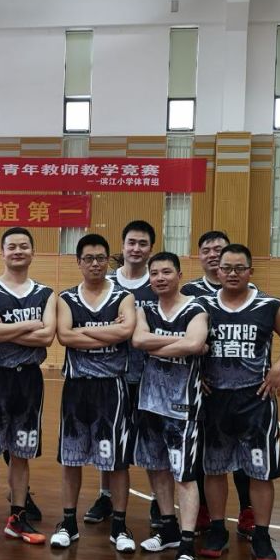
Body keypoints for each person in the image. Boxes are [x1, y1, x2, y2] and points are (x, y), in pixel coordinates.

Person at [198, 244, 280, 560]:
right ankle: (218, 529)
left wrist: (278, 368)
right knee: (214, 469)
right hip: (214, 400)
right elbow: (188, 342)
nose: (232, 273)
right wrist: (195, 373)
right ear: (217, 271)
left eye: (239, 268)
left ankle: (262, 534)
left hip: (255, 399)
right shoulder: (201, 306)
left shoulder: (270, 306)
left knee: (261, 472)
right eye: (226, 268)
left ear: (250, 271)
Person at [0, 227, 56, 555]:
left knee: (21, 454)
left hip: (30, 381)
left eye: (24, 246)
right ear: (2, 252)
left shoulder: (46, 293)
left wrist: (4, 328)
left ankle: (17, 519)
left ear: (32, 252)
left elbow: (47, 337)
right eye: (12, 246)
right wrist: (30, 325)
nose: (18, 251)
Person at [51, 234, 137, 552]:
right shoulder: (66, 297)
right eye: (88, 258)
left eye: (101, 258)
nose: (95, 264)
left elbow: (126, 331)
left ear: (107, 261)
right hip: (77, 385)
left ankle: (120, 525)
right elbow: (64, 336)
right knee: (71, 458)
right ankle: (68, 523)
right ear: (79, 262)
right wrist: (107, 332)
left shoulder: (124, 296)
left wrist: (82, 330)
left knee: (117, 461)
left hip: (112, 386)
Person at [131, 252, 209, 560]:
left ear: (179, 274)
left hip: (183, 406)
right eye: (154, 273)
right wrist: (183, 341)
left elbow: (195, 344)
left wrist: (158, 345)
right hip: (150, 402)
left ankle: (187, 547)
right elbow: (138, 340)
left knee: (184, 475)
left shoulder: (196, 309)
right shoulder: (145, 310)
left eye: (166, 272)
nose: (160, 278)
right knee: (157, 467)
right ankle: (168, 529)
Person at [181, 229, 256, 540]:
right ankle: (202, 509)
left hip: (243, 390)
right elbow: (181, 336)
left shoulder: (250, 291)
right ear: (199, 256)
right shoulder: (189, 292)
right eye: (207, 250)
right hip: (204, 387)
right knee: (203, 451)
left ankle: (248, 509)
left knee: (242, 452)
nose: (213, 254)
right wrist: (196, 375)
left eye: (219, 249)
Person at [85, 220, 157, 527]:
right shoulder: (107, 282)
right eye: (131, 242)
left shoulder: (158, 282)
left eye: (143, 243)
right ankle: (105, 496)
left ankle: (158, 501)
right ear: (123, 245)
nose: (136, 248)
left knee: (153, 439)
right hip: (109, 374)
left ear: (151, 248)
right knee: (108, 436)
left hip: (151, 376)